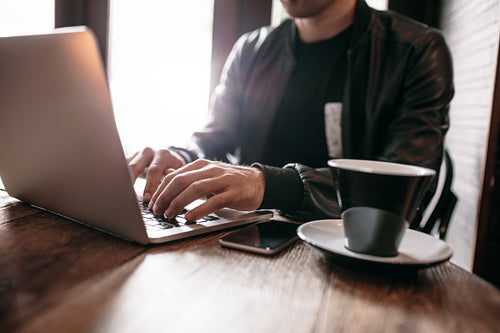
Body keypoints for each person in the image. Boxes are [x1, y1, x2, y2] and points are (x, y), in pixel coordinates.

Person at [128, 0, 454, 223]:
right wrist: (181, 156)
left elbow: (402, 186)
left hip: (352, 253)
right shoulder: (251, 50)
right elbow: (217, 135)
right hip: (249, 237)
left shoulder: (417, 51)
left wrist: (267, 185)